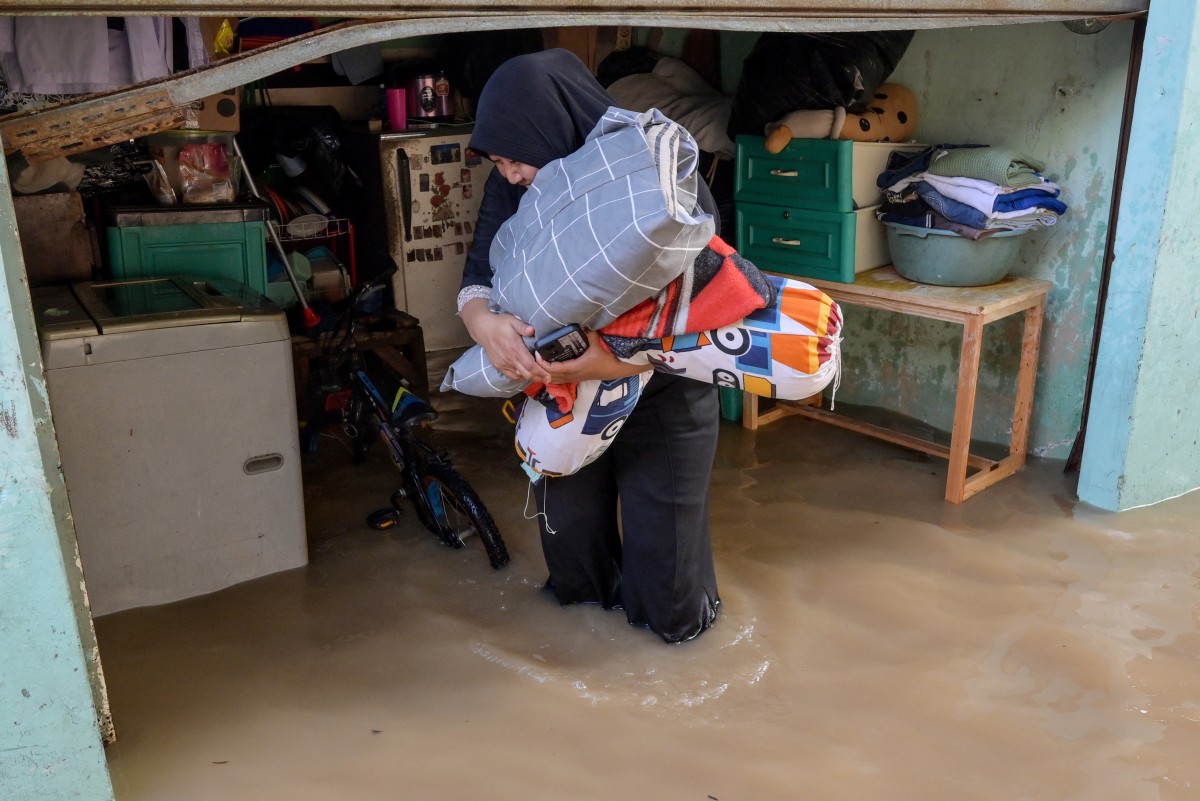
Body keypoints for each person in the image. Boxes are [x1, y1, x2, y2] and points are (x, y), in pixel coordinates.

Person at [457, 48, 721, 644]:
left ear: (550, 128)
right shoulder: (516, 185)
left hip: (665, 386)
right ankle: (581, 656)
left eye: (514, 158)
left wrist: (611, 360)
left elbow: (704, 297)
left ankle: (671, 657)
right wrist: (483, 324)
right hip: (565, 392)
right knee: (572, 553)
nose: (509, 174)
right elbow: (478, 277)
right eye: (498, 162)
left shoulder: (650, 167)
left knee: (668, 574)